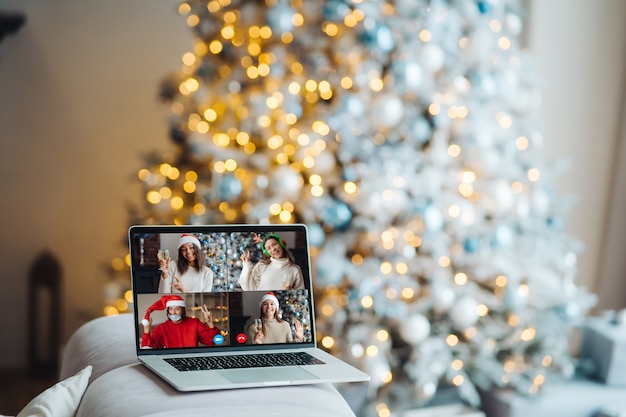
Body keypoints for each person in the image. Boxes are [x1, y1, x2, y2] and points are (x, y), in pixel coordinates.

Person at [140, 295, 221, 349]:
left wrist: (210, 323)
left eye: (177, 309)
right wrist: (146, 330)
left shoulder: (194, 323)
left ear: (182, 310)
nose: (173, 312)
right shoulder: (162, 328)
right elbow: (149, 348)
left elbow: (213, 340)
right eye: (171, 309)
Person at [238, 233, 304, 291]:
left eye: (274, 244)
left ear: (281, 244)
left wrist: (290, 291)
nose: (273, 249)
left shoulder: (295, 269)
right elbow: (248, 287)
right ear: (267, 252)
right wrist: (247, 264)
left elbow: (301, 291)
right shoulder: (262, 266)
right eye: (269, 248)